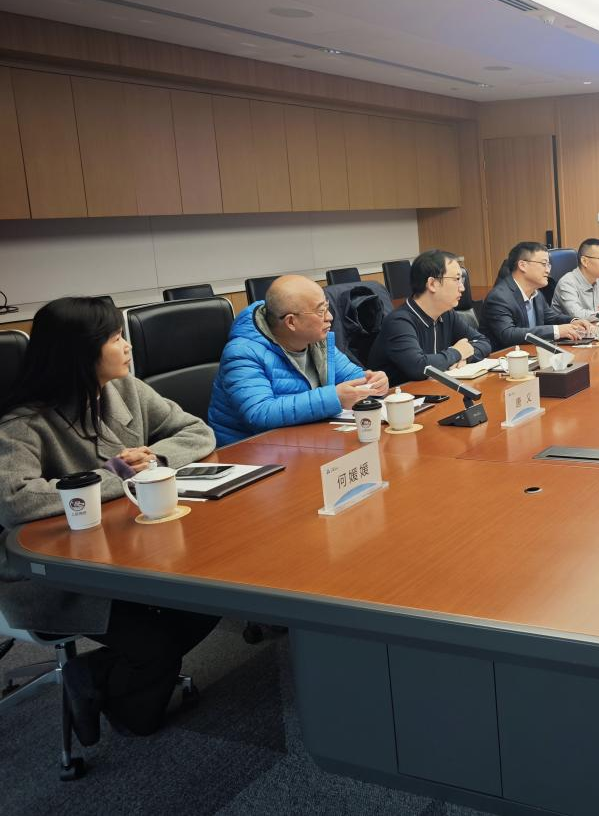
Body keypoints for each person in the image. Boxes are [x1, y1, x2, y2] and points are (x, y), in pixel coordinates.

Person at [0, 297, 219, 743]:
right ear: (79, 352)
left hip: (128, 546)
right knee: (155, 650)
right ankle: (120, 702)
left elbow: (197, 431)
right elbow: (14, 500)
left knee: (217, 596)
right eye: (116, 338)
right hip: (56, 574)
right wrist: (118, 476)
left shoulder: (125, 390)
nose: (127, 346)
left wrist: (155, 458)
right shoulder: (24, 422)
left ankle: (93, 672)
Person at [208, 274, 388, 446]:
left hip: (305, 440)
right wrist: (334, 398)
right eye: (321, 311)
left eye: (327, 307)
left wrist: (372, 383)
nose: (330, 317)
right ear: (291, 322)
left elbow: (352, 378)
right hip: (249, 452)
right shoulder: (243, 352)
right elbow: (260, 414)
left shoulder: (317, 340)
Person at [368, 250, 493, 384]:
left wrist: (465, 357)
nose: (462, 288)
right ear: (432, 284)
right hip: (402, 395)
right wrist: (456, 352)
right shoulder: (399, 322)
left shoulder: (446, 314)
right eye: (457, 279)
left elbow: (483, 342)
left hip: (434, 389)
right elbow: (419, 367)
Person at [481, 242, 596, 349]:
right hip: (505, 359)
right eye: (543, 264)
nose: (548, 270)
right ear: (522, 265)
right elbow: (509, 334)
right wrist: (557, 331)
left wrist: (573, 321)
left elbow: (551, 318)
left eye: (549, 265)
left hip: (532, 353)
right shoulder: (499, 297)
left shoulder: (536, 293)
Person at [554, 238, 599, 322]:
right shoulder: (567, 283)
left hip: (593, 327)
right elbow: (577, 315)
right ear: (584, 261)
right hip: (572, 330)